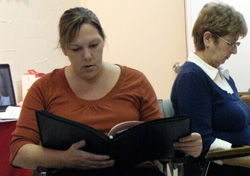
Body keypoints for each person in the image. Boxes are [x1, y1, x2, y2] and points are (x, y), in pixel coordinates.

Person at [10, 7, 202, 176]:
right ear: (64, 49)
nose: (87, 56)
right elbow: (18, 153)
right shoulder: (44, 88)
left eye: (94, 45)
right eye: (76, 49)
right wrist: (65, 159)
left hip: (134, 171)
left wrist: (188, 145)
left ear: (104, 41)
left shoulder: (135, 81)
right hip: (72, 172)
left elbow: (161, 141)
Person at [171, 2, 250, 176]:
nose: (235, 50)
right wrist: (247, 159)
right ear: (207, 38)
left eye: (237, 43)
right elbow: (203, 144)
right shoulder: (192, 78)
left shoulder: (222, 76)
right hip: (218, 170)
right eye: (231, 43)